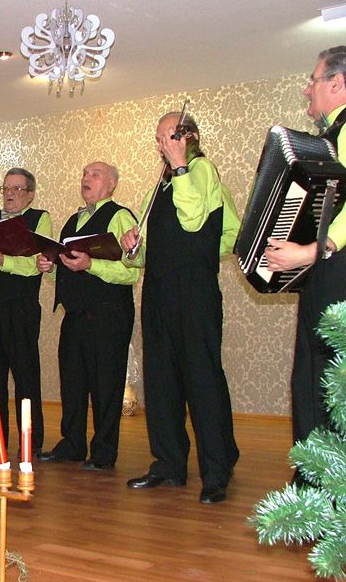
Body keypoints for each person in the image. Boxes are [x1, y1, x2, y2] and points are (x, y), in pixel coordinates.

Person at [264, 47, 346, 475]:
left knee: (340, 389)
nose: (308, 89)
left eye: (313, 80)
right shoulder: (337, 134)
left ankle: (342, 492)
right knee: (315, 383)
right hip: (334, 275)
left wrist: (309, 251)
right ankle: (318, 486)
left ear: (337, 83)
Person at [120, 112, 240, 504]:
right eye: (158, 139)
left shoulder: (203, 171)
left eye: (168, 136)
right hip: (157, 291)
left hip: (194, 289)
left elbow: (203, 225)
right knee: (161, 380)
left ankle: (216, 471)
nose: (161, 145)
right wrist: (131, 246)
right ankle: (169, 463)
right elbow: (144, 250)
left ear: (189, 136)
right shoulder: (159, 185)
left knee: (202, 379)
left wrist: (182, 166)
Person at [37, 162, 139, 470]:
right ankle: (72, 444)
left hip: (109, 314)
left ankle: (104, 452)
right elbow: (66, 269)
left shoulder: (120, 216)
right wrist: (50, 268)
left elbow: (131, 272)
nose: (86, 178)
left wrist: (91, 265)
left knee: (106, 385)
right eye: (84, 174)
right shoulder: (73, 220)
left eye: (95, 175)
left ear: (111, 185)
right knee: (73, 382)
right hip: (75, 315)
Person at [0, 167, 50, 456]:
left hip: (20, 307)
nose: (10, 194)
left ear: (30, 195)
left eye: (17, 189)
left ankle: (30, 441)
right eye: (6, 188)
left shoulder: (39, 219)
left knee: (26, 376)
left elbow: (37, 264)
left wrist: (4, 260)